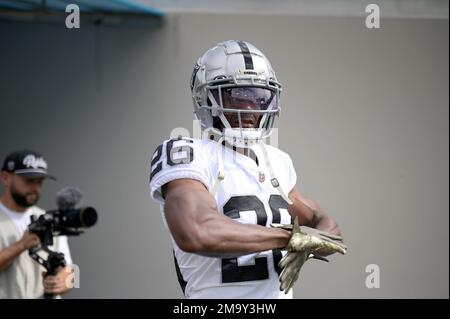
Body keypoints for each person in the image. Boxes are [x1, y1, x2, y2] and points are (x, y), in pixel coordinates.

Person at [149, 40, 346, 299]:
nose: (251, 108)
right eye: (238, 96)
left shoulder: (277, 161)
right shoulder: (188, 154)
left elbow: (326, 226)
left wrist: (311, 242)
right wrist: (289, 238)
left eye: (260, 97)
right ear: (204, 97)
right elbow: (196, 231)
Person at [0, 149, 73, 298]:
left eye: (39, 182)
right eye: (28, 180)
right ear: (5, 178)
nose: (35, 188)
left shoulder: (49, 218)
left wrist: (64, 282)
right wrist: (21, 245)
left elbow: (71, 269)